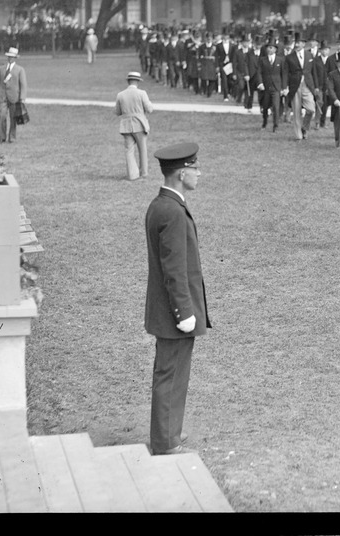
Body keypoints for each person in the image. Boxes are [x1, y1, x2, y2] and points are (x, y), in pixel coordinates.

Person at [145, 142, 211, 456]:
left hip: (168, 310)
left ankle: (169, 434)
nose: (199, 173)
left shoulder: (164, 204)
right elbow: (174, 269)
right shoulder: (171, 210)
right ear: (182, 173)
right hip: (174, 313)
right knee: (170, 375)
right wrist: (184, 312)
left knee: (172, 374)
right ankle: (165, 442)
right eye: (195, 168)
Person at [116, 71, 155, 181]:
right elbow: (150, 109)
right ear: (138, 82)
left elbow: (117, 112)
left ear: (128, 81)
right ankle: (143, 173)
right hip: (140, 124)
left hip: (126, 125)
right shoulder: (142, 93)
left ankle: (132, 175)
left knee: (129, 150)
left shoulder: (120, 94)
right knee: (142, 149)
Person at [284, 32, 317, 140]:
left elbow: (313, 72)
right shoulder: (289, 57)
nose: (296, 45)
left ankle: (305, 128)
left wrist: (315, 86)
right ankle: (298, 136)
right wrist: (285, 87)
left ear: (303, 44)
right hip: (295, 86)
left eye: (298, 43)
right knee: (297, 112)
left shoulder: (309, 55)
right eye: (295, 43)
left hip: (307, 85)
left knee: (311, 110)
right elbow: (285, 73)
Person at [0, 47, 27, 143]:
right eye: (9, 56)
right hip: (3, 97)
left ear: (15, 58)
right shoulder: (1, 69)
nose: (10, 58)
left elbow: (23, 84)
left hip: (14, 97)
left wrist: (22, 98)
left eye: (12, 57)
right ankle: (2, 137)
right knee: (2, 116)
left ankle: (12, 137)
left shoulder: (20, 70)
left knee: (13, 118)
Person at [255, 40, 286, 131]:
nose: (269, 49)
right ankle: (264, 123)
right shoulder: (262, 60)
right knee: (265, 106)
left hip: (276, 87)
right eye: (268, 47)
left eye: (271, 47)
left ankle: (275, 126)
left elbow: (283, 74)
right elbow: (259, 72)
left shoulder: (280, 60)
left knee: (276, 107)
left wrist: (284, 87)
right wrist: (260, 83)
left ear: (275, 49)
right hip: (266, 87)